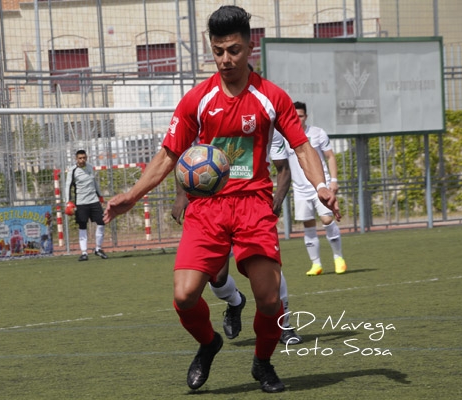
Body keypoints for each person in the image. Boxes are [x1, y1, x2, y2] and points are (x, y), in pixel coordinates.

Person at [104, 5, 340, 393]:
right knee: (183, 296)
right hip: (208, 209)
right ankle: (208, 343)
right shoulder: (197, 99)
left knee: (268, 299)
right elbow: (168, 154)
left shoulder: (271, 97)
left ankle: (262, 363)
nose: (225, 59)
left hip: (253, 205)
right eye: (218, 51)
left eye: (233, 49)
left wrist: (322, 185)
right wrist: (132, 194)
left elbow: (300, 146)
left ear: (250, 47)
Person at [171, 157, 304, 345]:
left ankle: (285, 326)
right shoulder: (200, 132)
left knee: (268, 271)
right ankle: (235, 301)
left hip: (250, 208)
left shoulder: (267, 129)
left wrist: (276, 201)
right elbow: (180, 158)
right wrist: (181, 195)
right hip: (212, 210)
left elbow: (283, 167)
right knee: (218, 278)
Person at [270, 102, 347, 276]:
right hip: (299, 188)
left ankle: (338, 257)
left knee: (327, 220)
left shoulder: (317, 133)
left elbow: (330, 157)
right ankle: (316, 264)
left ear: (306, 116)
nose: (298, 119)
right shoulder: (282, 137)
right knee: (308, 225)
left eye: (301, 116)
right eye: (295, 116)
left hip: (320, 186)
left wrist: (333, 180)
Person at [64, 149, 108, 261]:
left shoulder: (90, 167)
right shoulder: (72, 170)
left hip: (93, 200)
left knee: (101, 222)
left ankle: (98, 249)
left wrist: (100, 195)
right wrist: (68, 201)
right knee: (82, 226)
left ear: (86, 157)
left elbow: (94, 182)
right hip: (81, 202)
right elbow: (68, 186)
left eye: (84, 157)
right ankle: (84, 252)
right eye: (80, 158)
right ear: (76, 159)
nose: (82, 160)